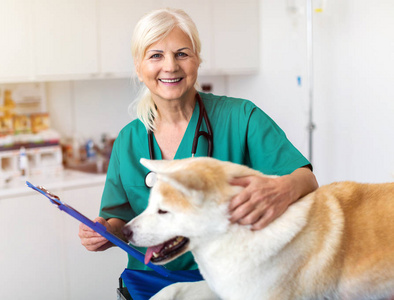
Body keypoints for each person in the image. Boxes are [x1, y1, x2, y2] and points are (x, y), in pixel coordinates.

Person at [79, 7, 318, 273]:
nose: (170, 66)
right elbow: (120, 221)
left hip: (232, 277)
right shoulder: (128, 140)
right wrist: (104, 232)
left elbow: (306, 179)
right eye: (155, 55)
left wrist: (280, 190)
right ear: (138, 67)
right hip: (151, 278)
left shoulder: (241, 117)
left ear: (197, 60)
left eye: (182, 53)